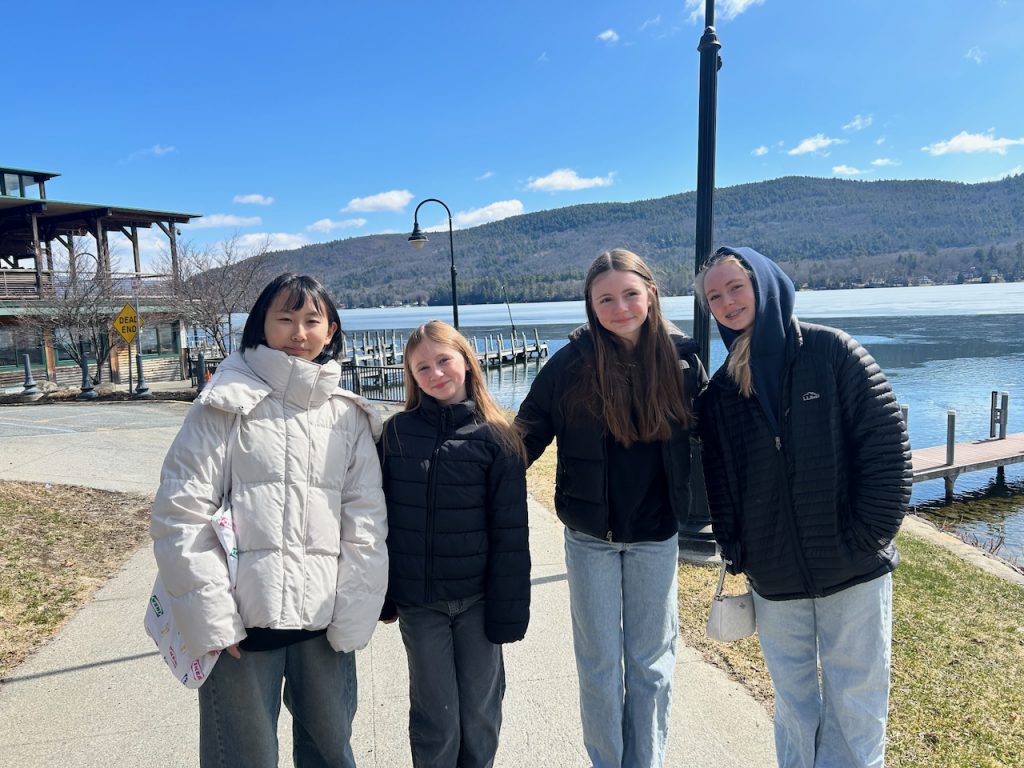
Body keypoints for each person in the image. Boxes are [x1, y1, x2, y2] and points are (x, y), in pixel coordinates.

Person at [150, 273, 388, 768]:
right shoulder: (222, 404)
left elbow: (364, 525)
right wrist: (214, 620)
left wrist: (354, 615)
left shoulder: (348, 416)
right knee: (241, 758)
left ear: (331, 330)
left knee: (331, 754)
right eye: (284, 318)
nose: (298, 332)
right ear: (262, 323)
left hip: (324, 625)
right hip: (240, 627)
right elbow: (180, 513)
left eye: (311, 320)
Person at [694, 246, 912, 768]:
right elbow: (721, 482)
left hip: (853, 568)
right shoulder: (722, 390)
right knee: (793, 707)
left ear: (765, 285)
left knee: (855, 706)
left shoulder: (830, 352)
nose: (726, 302)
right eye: (715, 296)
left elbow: (886, 451)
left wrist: (867, 536)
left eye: (735, 288)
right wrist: (739, 549)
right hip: (776, 579)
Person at [515, 249, 705, 768]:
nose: (619, 307)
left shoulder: (683, 360)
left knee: (652, 663)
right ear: (590, 304)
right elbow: (524, 435)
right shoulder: (570, 366)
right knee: (600, 666)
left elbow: (721, 441)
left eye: (629, 294)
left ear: (650, 294)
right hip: (590, 538)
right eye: (605, 299)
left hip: (656, 535)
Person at [379, 320, 530, 768]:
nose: (435, 373)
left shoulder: (497, 437)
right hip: (420, 604)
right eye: (422, 366)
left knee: (480, 714)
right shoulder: (396, 434)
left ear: (466, 360)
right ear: (411, 375)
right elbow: (380, 521)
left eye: (444, 360)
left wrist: (509, 609)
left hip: (479, 602)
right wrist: (383, 595)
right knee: (436, 719)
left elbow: (511, 534)